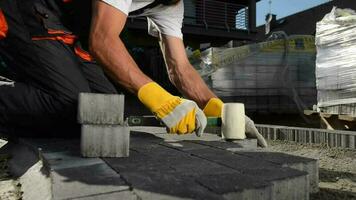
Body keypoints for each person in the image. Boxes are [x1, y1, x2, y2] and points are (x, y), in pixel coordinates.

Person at [0, 0, 267, 146]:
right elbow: (102, 41)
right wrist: (161, 101)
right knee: (72, 107)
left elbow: (180, 69)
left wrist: (216, 109)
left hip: (72, 28)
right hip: (30, 11)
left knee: (105, 113)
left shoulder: (172, 5)